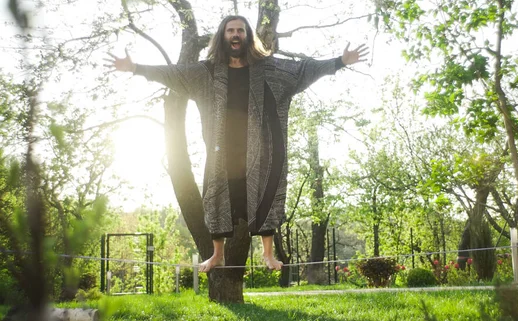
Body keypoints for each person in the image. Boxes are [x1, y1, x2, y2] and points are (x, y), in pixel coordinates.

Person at [106, 15, 368, 272]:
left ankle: (267, 254)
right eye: (230, 30)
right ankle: (217, 255)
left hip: (263, 147)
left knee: (266, 191)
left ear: (247, 36)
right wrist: (135, 68)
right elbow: (174, 74)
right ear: (223, 36)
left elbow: (303, 70)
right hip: (223, 150)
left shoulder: (269, 69)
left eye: (240, 31)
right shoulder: (207, 73)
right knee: (217, 196)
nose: (235, 35)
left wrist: (340, 62)